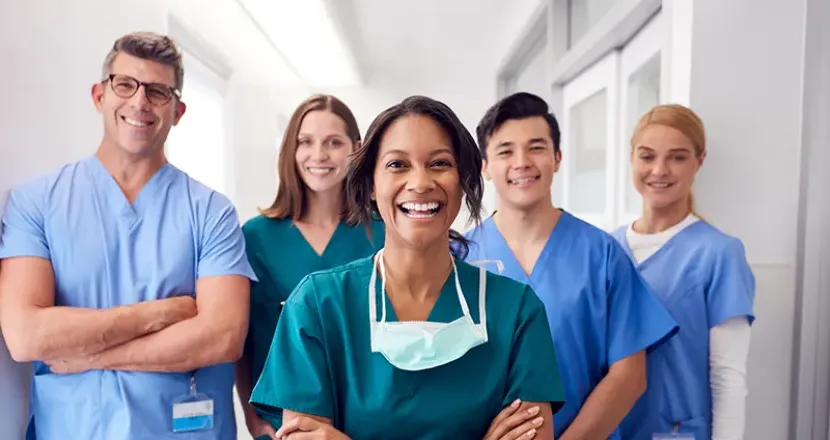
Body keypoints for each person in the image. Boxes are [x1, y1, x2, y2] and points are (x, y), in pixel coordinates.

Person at [248, 95, 566, 439]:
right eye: (397, 165)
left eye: (440, 163)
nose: (420, 183)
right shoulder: (317, 305)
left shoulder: (517, 312)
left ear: (464, 180)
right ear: (370, 183)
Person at [0, 32, 256, 440]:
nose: (140, 102)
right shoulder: (36, 203)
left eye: (158, 91)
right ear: (99, 95)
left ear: (178, 111)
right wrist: (160, 314)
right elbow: (26, 336)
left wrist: (86, 356)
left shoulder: (211, 211)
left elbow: (221, 337)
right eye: (125, 84)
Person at [464, 92, 679, 440]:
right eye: (505, 151)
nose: (522, 162)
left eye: (536, 147)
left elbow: (629, 375)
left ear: (557, 157)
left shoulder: (601, 254)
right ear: (485, 166)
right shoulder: (459, 257)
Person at [235, 94, 384, 439]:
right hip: (282, 427)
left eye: (334, 142)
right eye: (306, 142)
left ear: (356, 149)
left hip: (364, 427)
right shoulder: (256, 238)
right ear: (291, 149)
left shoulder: (381, 232)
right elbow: (245, 343)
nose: (319, 155)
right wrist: (253, 419)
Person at [611, 104, 755, 440]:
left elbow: (728, 376)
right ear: (632, 157)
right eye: (647, 156)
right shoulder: (607, 247)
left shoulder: (719, 253)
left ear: (699, 161)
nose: (659, 170)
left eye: (677, 157)